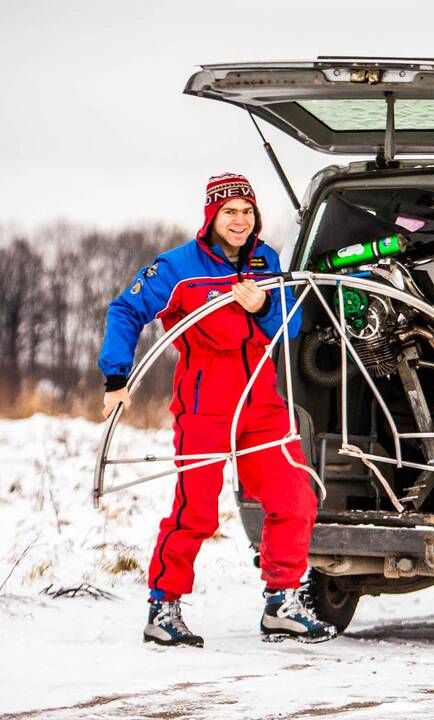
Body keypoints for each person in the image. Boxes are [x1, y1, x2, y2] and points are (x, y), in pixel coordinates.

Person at [98, 173, 337, 646]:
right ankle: (163, 609)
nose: (240, 220)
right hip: (206, 400)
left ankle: (282, 602)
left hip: (261, 400)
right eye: (230, 211)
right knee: (197, 511)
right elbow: (124, 311)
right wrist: (115, 377)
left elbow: (288, 326)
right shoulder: (177, 267)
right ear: (211, 215)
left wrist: (262, 305)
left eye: (247, 211)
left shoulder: (265, 260)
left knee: (295, 498)